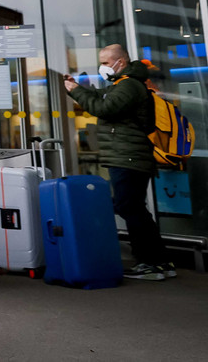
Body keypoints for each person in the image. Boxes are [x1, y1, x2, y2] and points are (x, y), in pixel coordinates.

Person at [64, 45, 173, 280]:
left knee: (129, 208)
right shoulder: (123, 85)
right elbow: (105, 100)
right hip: (127, 155)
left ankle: (150, 262)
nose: (102, 66)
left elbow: (106, 108)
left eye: (106, 61)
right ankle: (159, 261)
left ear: (121, 62)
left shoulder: (129, 85)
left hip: (129, 157)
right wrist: (77, 89)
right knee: (133, 208)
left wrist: (77, 92)